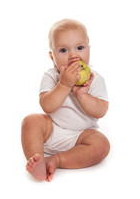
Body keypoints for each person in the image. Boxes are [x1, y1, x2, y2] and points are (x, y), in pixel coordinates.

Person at [21, 18, 110, 182]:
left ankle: (57, 160)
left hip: (81, 137)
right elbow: (47, 106)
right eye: (63, 50)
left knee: (102, 144)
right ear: (52, 56)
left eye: (80, 48)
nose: (73, 55)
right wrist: (64, 84)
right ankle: (37, 159)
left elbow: (101, 110)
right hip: (52, 129)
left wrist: (82, 95)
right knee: (30, 121)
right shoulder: (51, 76)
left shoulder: (95, 79)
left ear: (89, 50)